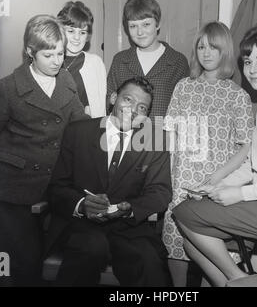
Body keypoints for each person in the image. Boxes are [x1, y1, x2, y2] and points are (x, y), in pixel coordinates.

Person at [173, 23, 257, 286]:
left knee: (185, 213)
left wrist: (241, 193)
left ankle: (239, 279)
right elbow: (253, 165)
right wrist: (217, 185)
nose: (253, 69)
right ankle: (234, 283)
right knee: (190, 244)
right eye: (248, 61)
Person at [46, 76, 172, 286]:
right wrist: (81, 205)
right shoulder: (78, 132)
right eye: (128, 100)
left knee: (149, 261)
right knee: (90, 249)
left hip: (129, 226)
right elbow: (57, 186)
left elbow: (161, 191)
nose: (132, 110)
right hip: (83, 225)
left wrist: (130, 208)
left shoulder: (154, 141)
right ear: (114, 98)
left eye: (142, 108)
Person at [162, 21, 254, 286]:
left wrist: (219, 177)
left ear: (224, 51)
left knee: (212, 248)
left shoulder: (238, 95)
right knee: (176, 244)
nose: (206, 52)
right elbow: (170, 132)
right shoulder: (183, 86)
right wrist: (170, 174)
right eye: (201, 46)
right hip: (182, 178)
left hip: (218, 182)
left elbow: (245, 145)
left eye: (213, 47)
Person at [0, 14, 87, 286]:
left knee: (77, 252)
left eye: (60, 53)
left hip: (56, 184)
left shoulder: (66, 81)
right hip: (15, 187)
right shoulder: (9, 87)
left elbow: (81, 127)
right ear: (30, 52)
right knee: (22, 266)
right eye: (48, 55)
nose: (57, 61)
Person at [106, 0, 189, 121]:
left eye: (146, 24)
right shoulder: (120, 60)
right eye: (133, 26)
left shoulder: (177, 62)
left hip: (161, 137)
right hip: (125, 137)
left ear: (158, 24)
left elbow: (185, 108)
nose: (140, 32)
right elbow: (109, 101)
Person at [57, 1, 107, 118]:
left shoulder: (95, 63)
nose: (77, 38)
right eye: (71, 31)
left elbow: (100, 108)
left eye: (82, 32)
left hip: (84, 129)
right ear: (59, 30)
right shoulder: (49, 60)